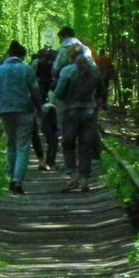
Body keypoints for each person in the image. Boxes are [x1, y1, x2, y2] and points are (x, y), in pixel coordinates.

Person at [0, 41, 42, 195]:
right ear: (22, 56)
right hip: (25, 110)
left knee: (11, 144)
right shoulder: (27, 69)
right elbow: (35, 91)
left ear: (8, 54)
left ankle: (11, 176)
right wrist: (39, 109)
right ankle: (17, 180)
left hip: (6, 111)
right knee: (23, 146)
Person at [53, 43, 105, 192]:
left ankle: (72, 176)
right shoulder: (94, 71)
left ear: (70, 56)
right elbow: (102, 91)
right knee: (85, 145)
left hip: (70, 112)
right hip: (89, 112)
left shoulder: (67, 71)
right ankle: (85, 179)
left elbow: (59, 93)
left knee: (68, 144)